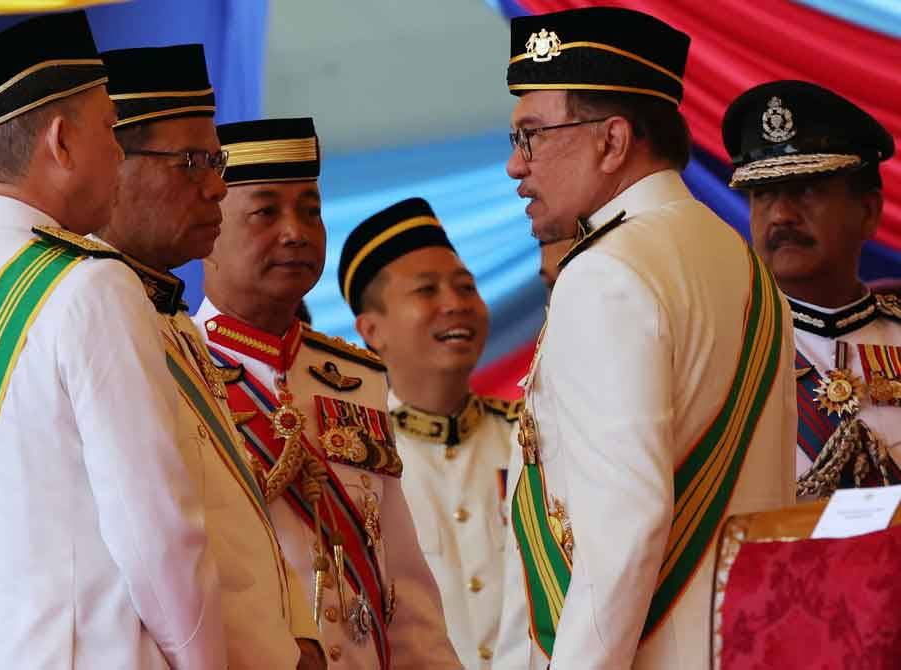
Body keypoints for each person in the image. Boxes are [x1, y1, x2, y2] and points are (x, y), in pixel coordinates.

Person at [0, 13, 225, 669]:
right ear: (61, 143)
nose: (118, 152)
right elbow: (157, 533)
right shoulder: (89, 286)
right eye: (109, 130)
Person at [498, 7, 797, 669]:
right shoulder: (741, 261)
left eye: (533, 135)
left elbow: (624, 534)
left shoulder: (607, 272)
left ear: (612, 141)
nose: (516, 165)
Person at [193, 118, 460, 670]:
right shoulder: (175, 370)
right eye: (267, 212)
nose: (296, 231)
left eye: (310, 211)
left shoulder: (355, 377)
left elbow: (403, 585)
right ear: (205, 230)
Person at [96, 45, 323, 670]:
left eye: (216, 162)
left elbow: (237, 525)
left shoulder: (170, 323)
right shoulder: (86, 315)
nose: (217, 186)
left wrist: (295, 637)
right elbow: (153, 545)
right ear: (107, 166)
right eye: (193, 162)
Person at [340, 197, 523, 668]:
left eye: (466, 287)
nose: (455, 304)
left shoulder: (530, 436)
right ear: (371, 330)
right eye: (426, 291)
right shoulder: (354, 461)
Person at [723, 80, 901, 498]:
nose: (781, 214)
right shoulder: (718, 352)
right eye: (763, 194)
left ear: (869, 211)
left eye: (806, 190)